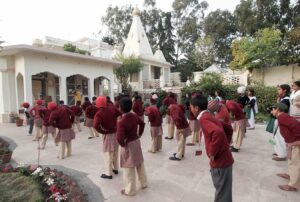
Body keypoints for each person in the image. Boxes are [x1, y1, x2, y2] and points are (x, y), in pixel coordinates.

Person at [190, 95, 234, 202]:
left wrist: (212, 152)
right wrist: (225, 144)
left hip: (220, 163)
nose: (190, 109)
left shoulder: (204, 118)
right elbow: (228, 128)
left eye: (190, 106)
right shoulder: (209, 115)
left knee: (222, 193)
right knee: (224, 191)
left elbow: (218, 132)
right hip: (225, 160)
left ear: (196, 108)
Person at [117, 98, 147, 196]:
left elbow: (120, 138)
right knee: (139, 163)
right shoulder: (134, 116)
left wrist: (123, 144)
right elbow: (142, 123)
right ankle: (144, 183)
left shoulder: (121, 121)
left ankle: (130, 190)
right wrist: (139, 134)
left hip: (128, 144)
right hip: (136, 142)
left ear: (120, 108)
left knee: (128, 167)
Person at [270, 103, 300, 191]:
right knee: (291, 160)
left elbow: (296, 126)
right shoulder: (281, 117)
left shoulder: (282, 117)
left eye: (273, 109)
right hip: (292, 143)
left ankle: (293, 185)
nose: (271, 111)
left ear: (278, 109)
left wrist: (298, 139)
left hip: (296, 143)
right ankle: (290, 175)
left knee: (295, 163)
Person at [94, 96, 121, 179]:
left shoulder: (99, 113)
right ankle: (116, 168)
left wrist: (103, 131)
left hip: (108, 134)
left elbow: (95, 125)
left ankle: (108, 174)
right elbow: (120, 114)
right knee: (115, 152)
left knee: (108, 154)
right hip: (116, 133)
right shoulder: (112, 108)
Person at [272, 84, 291, 161]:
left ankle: (282, 155)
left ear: (284, 90)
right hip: (278, 118)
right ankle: (278, 151)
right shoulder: (281, 98)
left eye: (279, 89)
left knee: (280, 136)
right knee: (276, 135)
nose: (278, 90)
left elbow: (281, 109)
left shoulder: (286, 99)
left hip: (282, 119)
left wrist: (276, 105)